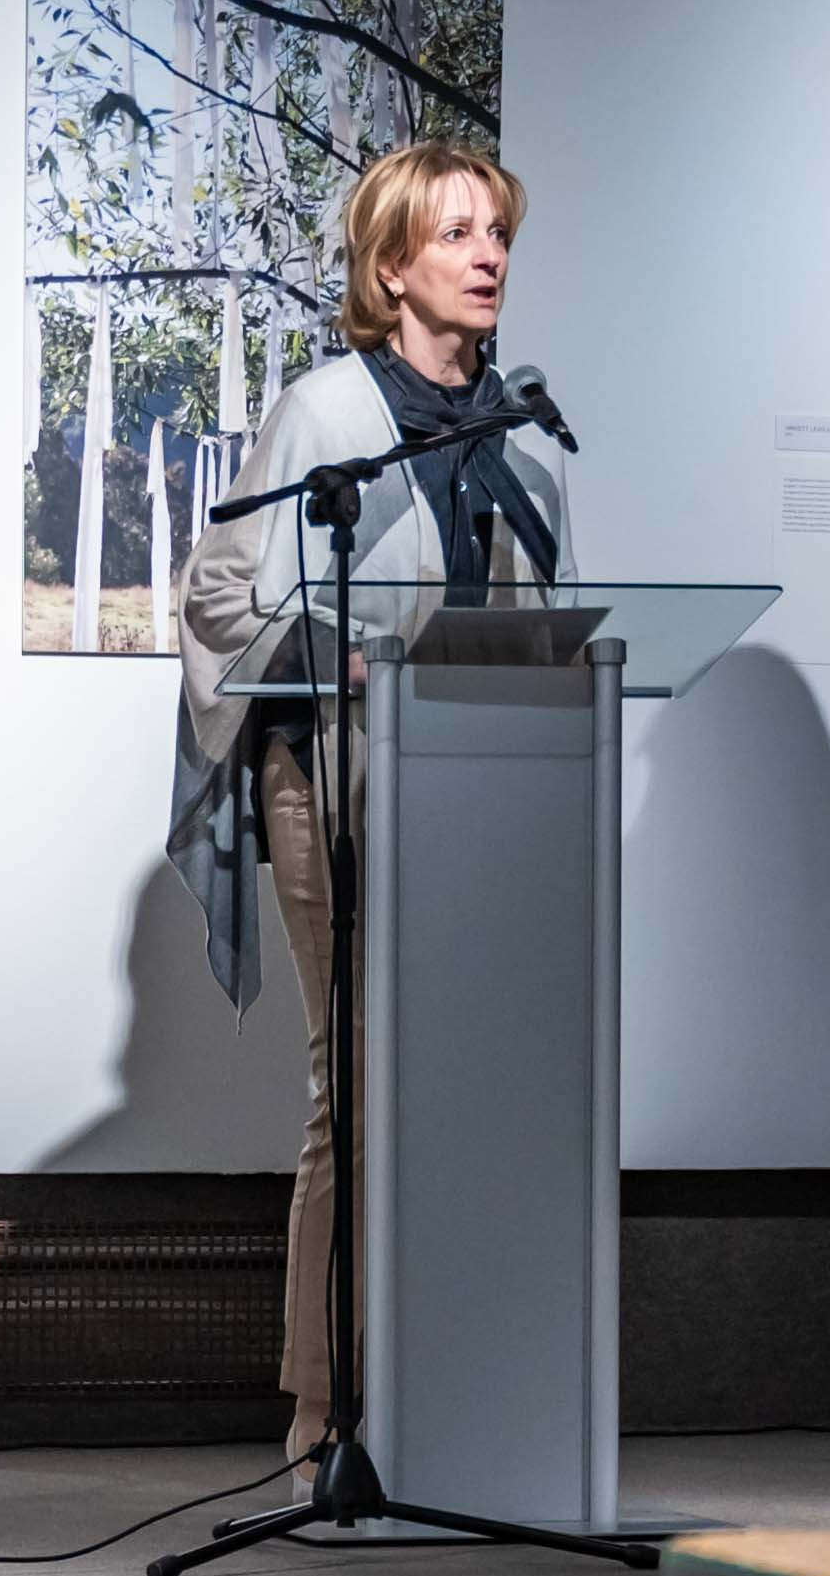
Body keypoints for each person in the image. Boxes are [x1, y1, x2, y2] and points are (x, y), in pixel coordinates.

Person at [168, 138, 562, 1472]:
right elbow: (221, 590)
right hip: (337, 776)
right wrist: (331, 652)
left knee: (465, 1095)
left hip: (479, 794)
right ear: (391, 267)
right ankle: (324, 1409)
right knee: (362, 1087)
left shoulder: (526, 433)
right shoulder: (329, 413)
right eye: (457, 234)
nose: (488, 255)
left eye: (497, 233)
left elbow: (544, 619)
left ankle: (455, 1394)